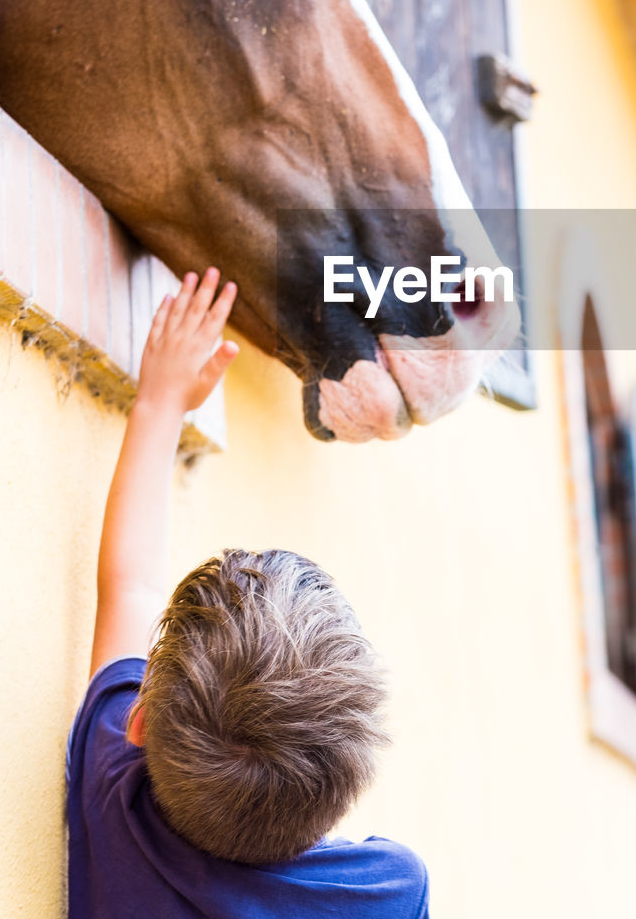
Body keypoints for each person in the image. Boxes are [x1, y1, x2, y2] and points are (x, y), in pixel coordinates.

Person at [66, 268, 429, 917]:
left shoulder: (117, 798)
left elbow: (131, 586)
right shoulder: (386, 893)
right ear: (344, 787)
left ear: (140, 725)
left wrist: (159, 400)